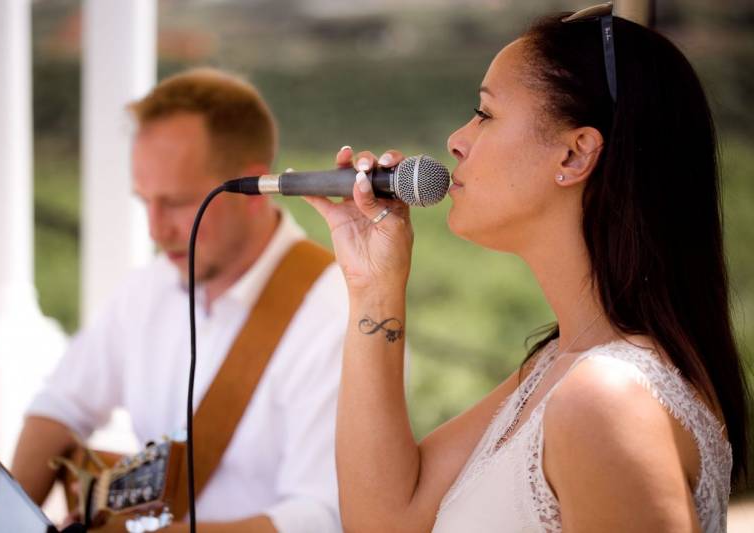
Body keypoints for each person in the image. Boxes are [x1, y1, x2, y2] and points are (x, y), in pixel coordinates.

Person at [306, 5, 749, 532]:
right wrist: (373, 284)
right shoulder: (560, 365)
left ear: (574, 155)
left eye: (485, 113)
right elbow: (383, 520)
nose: (456, 140)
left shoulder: (604, 398)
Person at [11, 68, 347, 532]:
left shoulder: (337, 317)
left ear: (253, 189)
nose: (155, 229)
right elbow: (62, 406)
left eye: (176, 203)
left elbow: (322, 517)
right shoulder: (149, 287)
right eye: (144, 201)